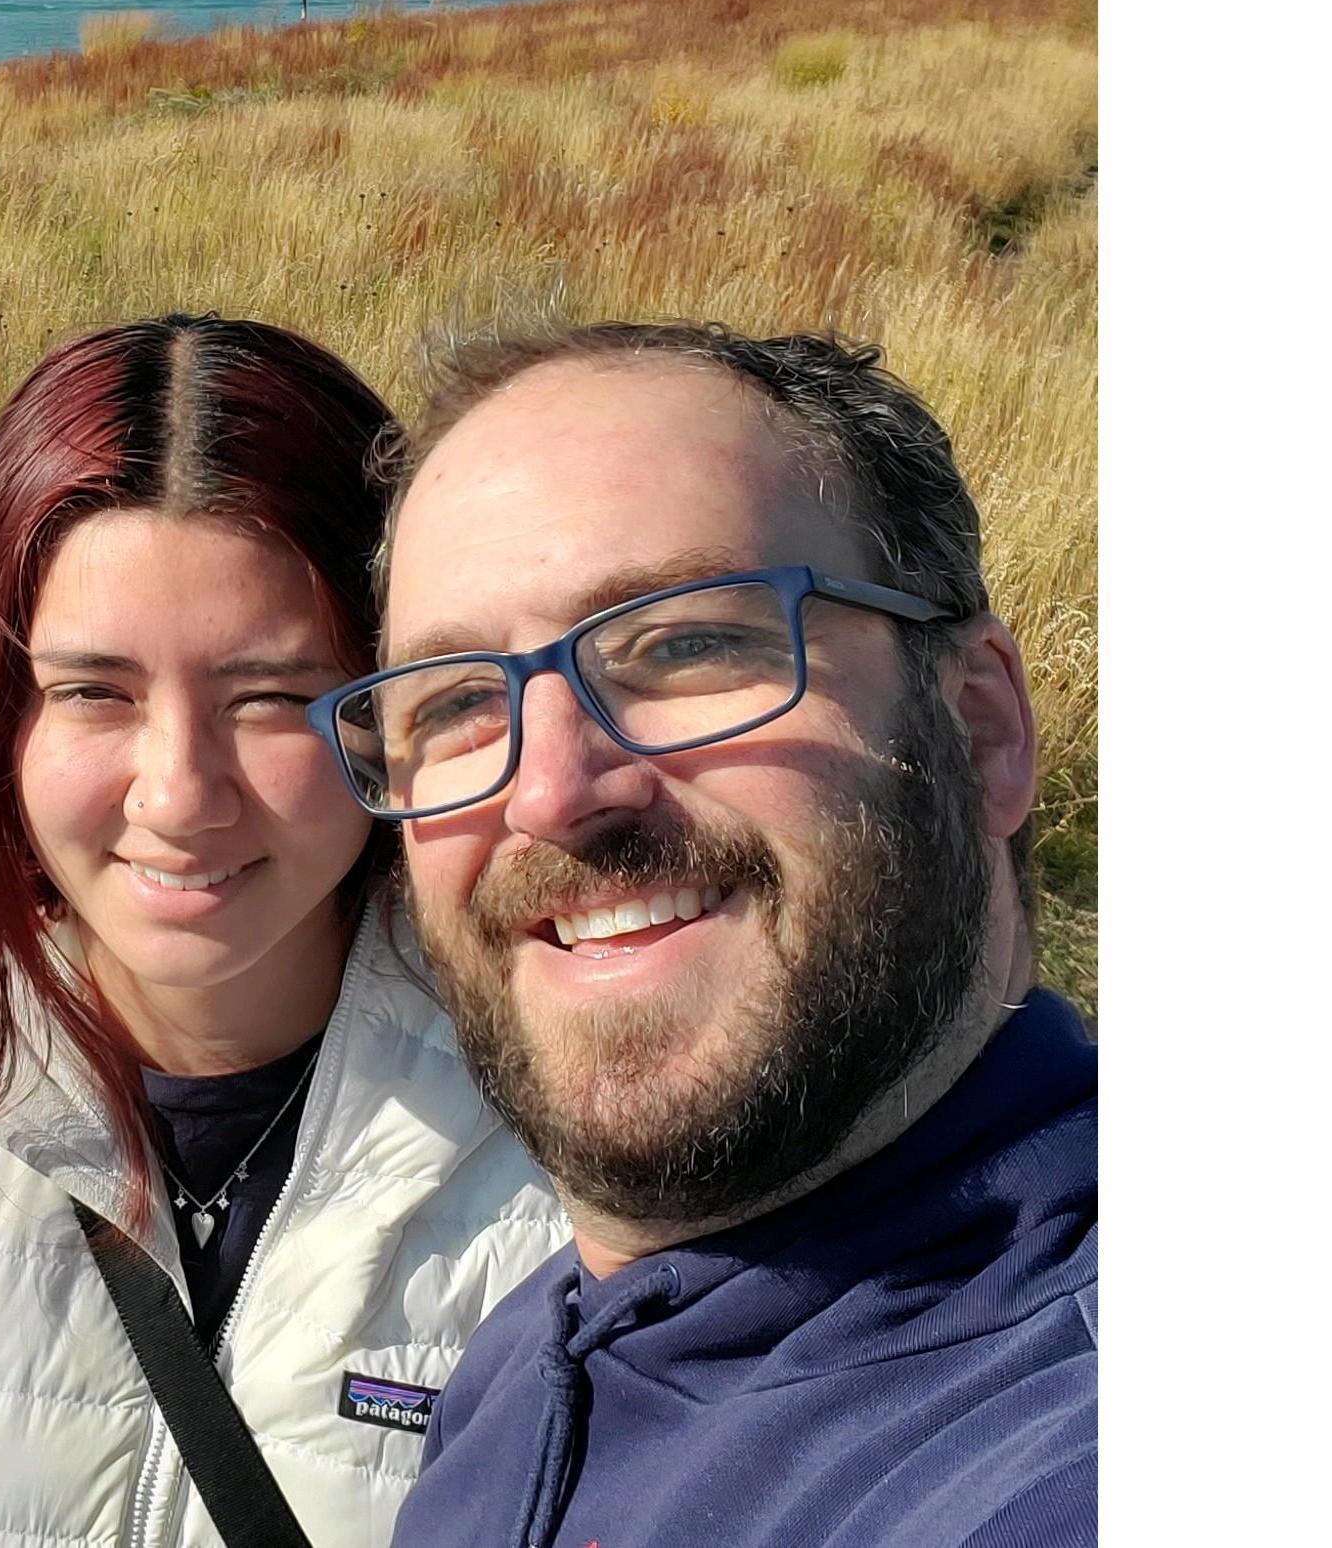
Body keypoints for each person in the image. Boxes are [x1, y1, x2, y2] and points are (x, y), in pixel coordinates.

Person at [0, 314, 568, 1547]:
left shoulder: (569, 1142)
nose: (177, 793)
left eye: (273, 696)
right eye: (91, 691)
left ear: (395, 704)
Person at [300, 322, 1095, 1548]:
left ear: (981, 728)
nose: (550, 792)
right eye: (455, 700)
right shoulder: (532, 1351)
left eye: (684, 642)